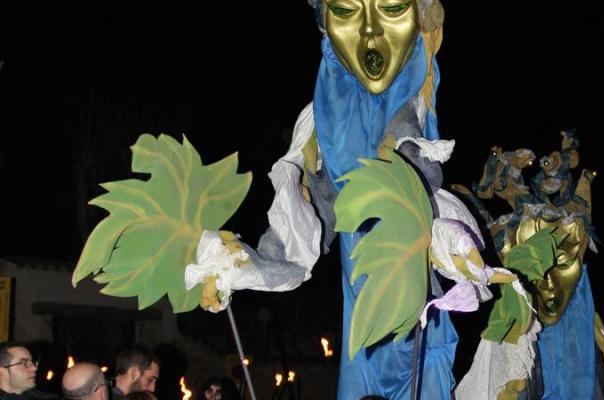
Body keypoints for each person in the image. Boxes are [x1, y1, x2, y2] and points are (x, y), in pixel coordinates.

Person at [184, 0, 473, 399]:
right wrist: (241, 267)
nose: (370, 32)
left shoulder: (411, 113)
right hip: (362, 330)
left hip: (414, 322)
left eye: (391, 8)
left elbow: (418, 179)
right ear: (324, 24)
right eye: (346, 11)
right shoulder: (329, 122)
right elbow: (308, 228)